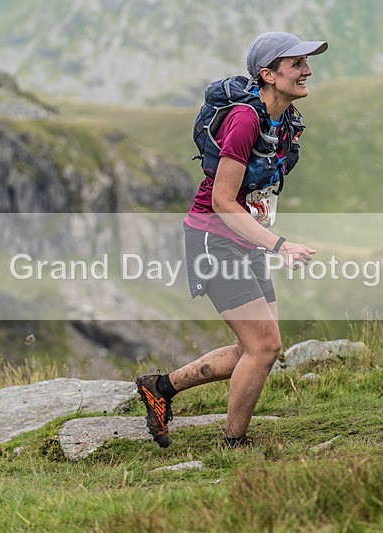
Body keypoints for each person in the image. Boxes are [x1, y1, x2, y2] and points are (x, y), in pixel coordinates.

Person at [136, 32, 327, 448]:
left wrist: (264, 239)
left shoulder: (286, 120)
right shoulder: (245, 120)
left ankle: (160, 388)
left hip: (245, 240)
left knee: (256, 348)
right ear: (268, 74)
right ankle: (234, 444)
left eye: (306, 62)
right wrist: (280, 245)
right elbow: (223, 201)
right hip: (214, 240)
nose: (307, 70)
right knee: (265, 346)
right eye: (296, 64)